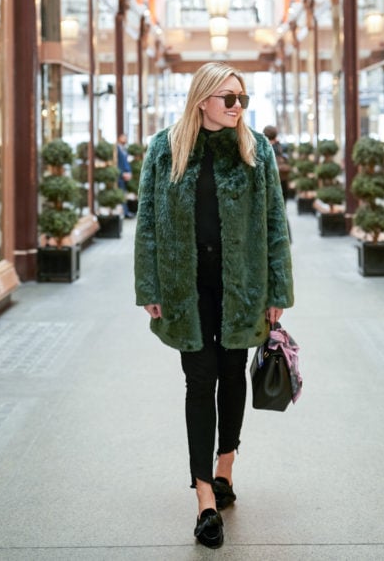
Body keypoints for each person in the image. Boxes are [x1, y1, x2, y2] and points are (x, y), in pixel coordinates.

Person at [134, 62, 294, 549]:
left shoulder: (256, 149)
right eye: (229, 98)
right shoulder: (165, 148)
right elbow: (147, 224)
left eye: (242, 98)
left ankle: (225, 468)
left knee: (231, 378)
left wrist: (276, 292)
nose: (237, 107)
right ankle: (204, 498)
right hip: (188, 291)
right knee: (198, 383)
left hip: (241, 289)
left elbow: (275, 223)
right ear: (203, 98)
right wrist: (151, 287)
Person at [263, 124, 292, 242]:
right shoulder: (282, 147)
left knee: (271, 211)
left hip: (271, 183)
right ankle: (286, 238)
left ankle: (276, 238)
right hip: (283, 182)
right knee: (282, 210)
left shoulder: (265, 148)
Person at [116, 133, 133, 219]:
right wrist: (122, 173)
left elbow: (126, 162)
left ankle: (125, 211)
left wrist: (129, 172)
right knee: (121, 194)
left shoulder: (124, 149)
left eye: (126, 138)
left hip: (125, 175)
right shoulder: (116, 149)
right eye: (123, 137)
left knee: (124, 194)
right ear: (119, 138)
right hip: (120, 176)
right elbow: (116, 164)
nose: (125, 139)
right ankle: (124, 212)